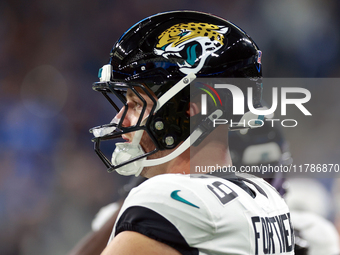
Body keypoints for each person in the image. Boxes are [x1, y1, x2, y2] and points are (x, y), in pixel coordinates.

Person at [89, 10, 294, 254]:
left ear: (190, 112)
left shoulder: (166, 198)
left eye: (135, 104)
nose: (119, 120)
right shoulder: (267, 197)